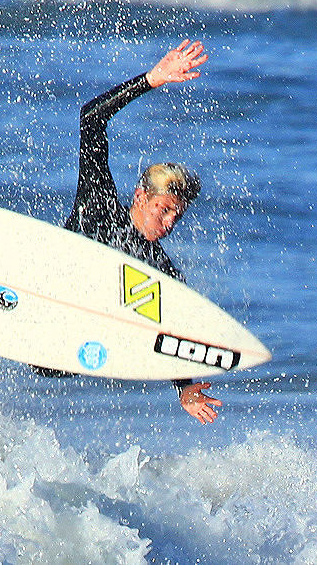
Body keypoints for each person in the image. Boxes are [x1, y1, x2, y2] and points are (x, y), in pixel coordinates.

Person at [64, 39, 222, 425]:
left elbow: (172, 326)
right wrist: (151, 80)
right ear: (140, 195)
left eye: (176, 218)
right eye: (164, 210)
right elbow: (91, 119)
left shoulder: (161, 270)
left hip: (71, 349)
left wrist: (184, 386)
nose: (168, 224)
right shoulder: (98, 207)